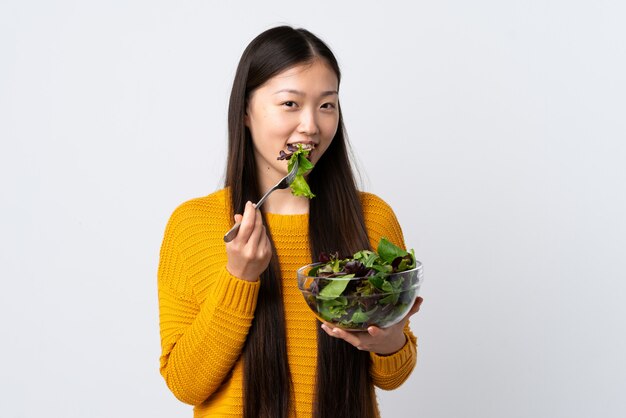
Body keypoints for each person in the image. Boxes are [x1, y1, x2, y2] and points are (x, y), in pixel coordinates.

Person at [157, 25, 424, 418]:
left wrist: (388, 338)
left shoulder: (372, 218)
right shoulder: (193, 225)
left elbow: (393, 375)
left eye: (327, 105)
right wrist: (239, 278)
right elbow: (186, 384)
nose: (311, 126)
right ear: (246, 112)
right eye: (290, 104)